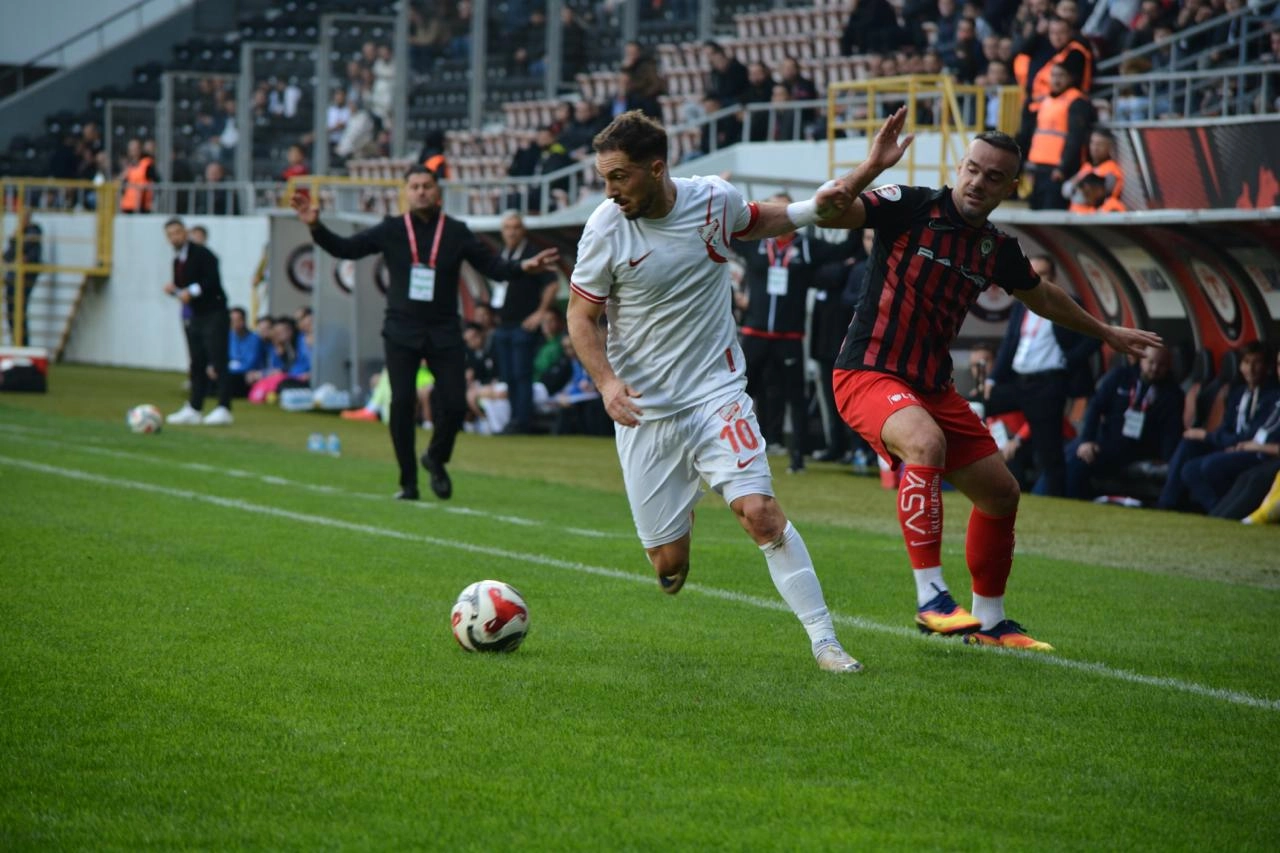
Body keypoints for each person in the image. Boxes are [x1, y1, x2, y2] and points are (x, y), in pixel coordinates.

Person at [804, 113, 1159, 651]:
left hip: (932, 387)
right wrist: (872, 166)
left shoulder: (996, 248)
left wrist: (1106, 331)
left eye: (994, 177)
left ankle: (990, 622)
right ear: (959, 167)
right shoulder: (910, 205)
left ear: (1009, 186)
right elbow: (830, 212)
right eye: (973, 169)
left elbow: (1042, 296)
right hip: (867, 372)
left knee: (1001, 493)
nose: (978, 182)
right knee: (925, 443)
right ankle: (931, 598)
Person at [566, 110, 863, 674]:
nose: (609, 191)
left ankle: (826, 643)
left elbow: (756, 219)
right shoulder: (605, 228)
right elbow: (580, 316)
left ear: (657, 169)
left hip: (715, 391)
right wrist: (606, 383)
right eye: (604, 178)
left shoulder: (712, 200)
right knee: (668, 567)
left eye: (619, 176)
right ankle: (684, 513)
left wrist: (809, 209)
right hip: (645, 411)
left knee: (760, 514)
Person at [291, 166, 559, 500]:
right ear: (406, 192)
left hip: (444, 330)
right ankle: (408, 482)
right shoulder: (391, 229)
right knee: (402, 402)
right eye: (415, 186)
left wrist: (524, 267)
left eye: (427, 186)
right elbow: (346, 248)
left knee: (456, 403)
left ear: (438, 191)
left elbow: (493, 267)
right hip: (401, 329)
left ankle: (435, 456)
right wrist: (316, 226)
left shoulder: (456, 232)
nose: (421, 191)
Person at [732, 195, 847, 473]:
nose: (778, 214)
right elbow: (723, 230)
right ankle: (733, 452)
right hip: (755, 333)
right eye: (773, 207)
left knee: (795, 398)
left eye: (784, 209)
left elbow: (844, 250)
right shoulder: (755, 242)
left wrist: (850, 210)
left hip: (790, 337)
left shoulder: (807, 247)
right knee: (740, 394)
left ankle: (797, 458)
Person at [986, 255, 1100, 496]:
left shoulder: (1067, 302)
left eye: (1043, 273)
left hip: (1047, 384)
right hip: (1018, 380)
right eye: (1032, 271)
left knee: (1049, 451)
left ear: (1053, 277)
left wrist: (1068, 360)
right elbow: (1009, 343)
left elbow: (1095, 335)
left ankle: (1057, 498)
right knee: (976, 404)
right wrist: (992, 379)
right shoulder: (1021, 304)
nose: (1036, 277)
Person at [1157, 342, 1279, 512]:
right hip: (1231, 444)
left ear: (1267, 367)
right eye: (1246, 362)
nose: (1251, 369)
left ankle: (1223, 513)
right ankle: (1170, 505)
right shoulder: (1238, 393)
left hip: (1253, 450)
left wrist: (1208, 436)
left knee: (1209, 465)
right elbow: (1226, 427)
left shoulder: (1273, 397)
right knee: (1189, 459)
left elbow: (1253, 436)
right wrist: (1216, 439)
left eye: (1257, 362)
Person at [1063, 345, 1183, 500]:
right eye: (1151, 362)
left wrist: (1166, 460)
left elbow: (1171, 431)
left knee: (1078, 461)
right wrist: (1087, 440)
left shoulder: (1173, 394)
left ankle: (1067, 501)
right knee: (1066, 455)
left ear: (1169, 366)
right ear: (1141, 360)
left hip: (1136, 449)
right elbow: (1095, 407)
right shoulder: (1121, 377)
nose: (1155, 368)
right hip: (1105, 439)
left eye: (1161, 365)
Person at [490, 211, 558, 434]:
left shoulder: (532, 254)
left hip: (523, 324)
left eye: (516, 227)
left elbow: (552, 283)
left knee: (521, 374)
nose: (511, 232)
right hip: (503, 324)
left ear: (523, 230)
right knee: (508, 375)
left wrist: (540, 312)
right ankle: (513, 419)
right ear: (502, 231)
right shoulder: (502, 254)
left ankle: (523, 421)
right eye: (507, 227)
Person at [164, 218, 235, 426]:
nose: (174, 237)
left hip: (214, 314)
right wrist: (174, 291)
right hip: (195, 315)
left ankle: (224, 407)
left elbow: (211, 281)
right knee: (197, 362)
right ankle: (195, 407)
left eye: (177, 232)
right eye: (170, 234)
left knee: (218, 360)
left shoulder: (203, 254)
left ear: (185, 232)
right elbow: (182, 289)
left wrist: (191, 291)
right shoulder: (177, 260)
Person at [1026, 63, 1093, 211]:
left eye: (1061, 75)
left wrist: (1063, 167)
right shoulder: (1046, 101)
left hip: (1058, 169)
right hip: (1039, 168)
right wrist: (1030, 166)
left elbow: (1075, 138)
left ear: (1070, 78)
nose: (1057, 80)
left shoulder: (1076, 101)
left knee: (1052, 211)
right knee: (1035, 209)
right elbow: (1037, 135)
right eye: (1054, 75)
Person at [3, 210, 41, 347]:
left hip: (25, 278)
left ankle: (22, 344)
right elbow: (8, 255)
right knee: (11, 312)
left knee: (19, 310)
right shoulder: (19, 234)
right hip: (13, 278)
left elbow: (29, 253)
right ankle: (16, 342)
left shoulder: (34, 232)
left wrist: (16, 240)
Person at [1064, 128, 1124, 213]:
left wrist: (1077, 187)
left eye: (1100, 144)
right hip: (1076, 214)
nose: (1095, 147)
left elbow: (1096, 197)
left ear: (1109, 147)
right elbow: (1066, 190)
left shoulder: (1111, 170)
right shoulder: (1087, 167)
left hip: (1095, 215)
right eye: (1092, 143)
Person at [226, 306, 267, 398]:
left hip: (246, 374)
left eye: (236, 320)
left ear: (243, 321)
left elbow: (251, 363)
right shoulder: (229, 337)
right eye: (231, 320)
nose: (234, 323)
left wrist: (230, 368)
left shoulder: (255, 339)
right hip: (230, 372)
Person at [119, 138, 158, 215]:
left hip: (142, 206)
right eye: (130, 149)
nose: (132, 151)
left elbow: (156, 181)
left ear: (140, 149)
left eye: (135, 149)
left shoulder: (147, 164)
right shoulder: (129, 166)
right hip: (127, 205)